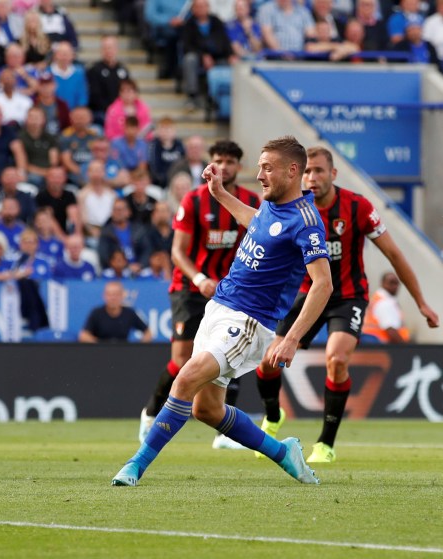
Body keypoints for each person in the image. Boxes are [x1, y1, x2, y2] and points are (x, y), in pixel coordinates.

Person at [112, 136, 333, 487]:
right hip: (219, 309)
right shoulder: (272, 206)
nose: (259, 175)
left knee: (184, 378)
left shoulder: (307, 221)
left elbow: (323, 284)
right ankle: (283, 453)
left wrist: (291, 339)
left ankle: (135, 466)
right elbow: (258, 224)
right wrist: (219, 194)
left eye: (267, 168)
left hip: (248, 322)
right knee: (206, 410)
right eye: (260, 166)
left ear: (293, 171)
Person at [254, 147, 439, 463]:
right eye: (308, 171)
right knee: (268, 361)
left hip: (347, 296)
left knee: (337, 359)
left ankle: (325, 444)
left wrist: (420, 301)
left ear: (333, 174)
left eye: (319, 171)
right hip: (308, 295)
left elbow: (394, 255)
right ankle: (273, 416)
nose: (313, 178)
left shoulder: (359, 207)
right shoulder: (293, 208)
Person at [136, 140, 261, 449]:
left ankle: (223, 434)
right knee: (181, 360)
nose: (224, 166)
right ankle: (151, 412)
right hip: (190, 288)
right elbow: (177, 252)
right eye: (218, 159)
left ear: (239, 167)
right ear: (210, 163)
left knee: (233, 354)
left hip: (230, 293)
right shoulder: (193, 201)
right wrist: (201, 277)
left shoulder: (249, 201)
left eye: (231, 161)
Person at [79, 281, 152, 343]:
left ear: (122, 295)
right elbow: (83, 335)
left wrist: (137, 348)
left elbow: (148, 333)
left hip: (124, 353)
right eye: (109, 294)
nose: (112, 298)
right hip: (100, 353)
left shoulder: (130, 313)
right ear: (104, 296)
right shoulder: (96, 313)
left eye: (116, 294)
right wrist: (100, 344)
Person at [361, 272, 411, 343]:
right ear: (383, 283)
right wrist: (406, 349)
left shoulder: (378, 298)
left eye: (396, 283)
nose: (395, 286)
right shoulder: (385, 302)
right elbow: (391, 331)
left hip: (373, 343)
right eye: (391, 283)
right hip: (381, 345)